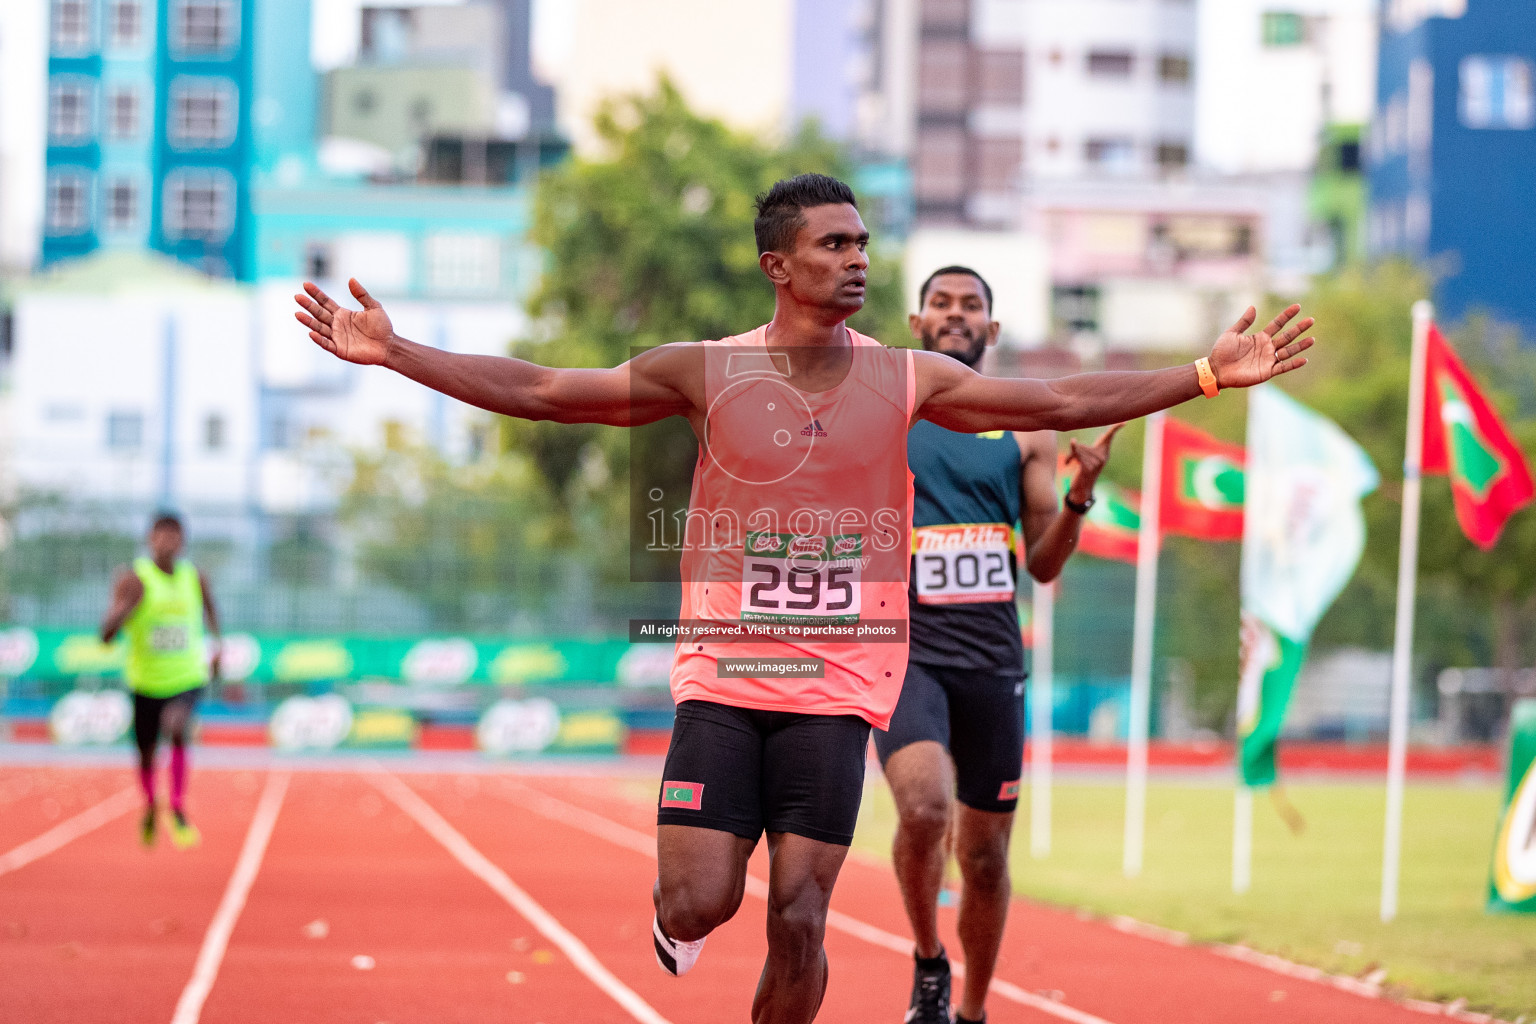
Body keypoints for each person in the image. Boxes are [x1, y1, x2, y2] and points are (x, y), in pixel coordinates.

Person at [293, 172, 1314, 1024]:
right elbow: (551, 393)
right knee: (699, 903)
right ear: (778, 264)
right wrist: (397, 352)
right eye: (833, 243)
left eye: (863, 242)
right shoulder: (707, 370)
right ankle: (678, 923)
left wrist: (1201, 376)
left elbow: (1053, 401)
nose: (858, 258)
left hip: (836, 687)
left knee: (800, 919)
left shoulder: (910, 377)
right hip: (726, 677)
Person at [876, 266, 1120, 1024]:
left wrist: (1080, 495)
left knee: (984, 858)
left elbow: (1042, 562)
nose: (956, 315)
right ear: (916, 325)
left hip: (991, 662)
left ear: (994, 328)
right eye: (941, 305)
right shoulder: (883, 416)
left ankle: (974, 1011)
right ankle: (928, 966)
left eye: (970, 305)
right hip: (903, 652)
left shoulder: (1026, 428)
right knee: (922, 811)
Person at [100, 513, 221, 849]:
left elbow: (211, 610)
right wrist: (125, 611)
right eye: (160, 534)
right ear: (149, 539)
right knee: (146, 752)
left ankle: (178, 808)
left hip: (185, 676)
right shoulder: (134, 579)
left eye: (174, 535)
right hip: (145, 681)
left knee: (177, 727)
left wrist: (218, 645)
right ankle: (152, 805)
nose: (167, 541)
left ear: (183, 540)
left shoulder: (195, 577)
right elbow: (106, 634)